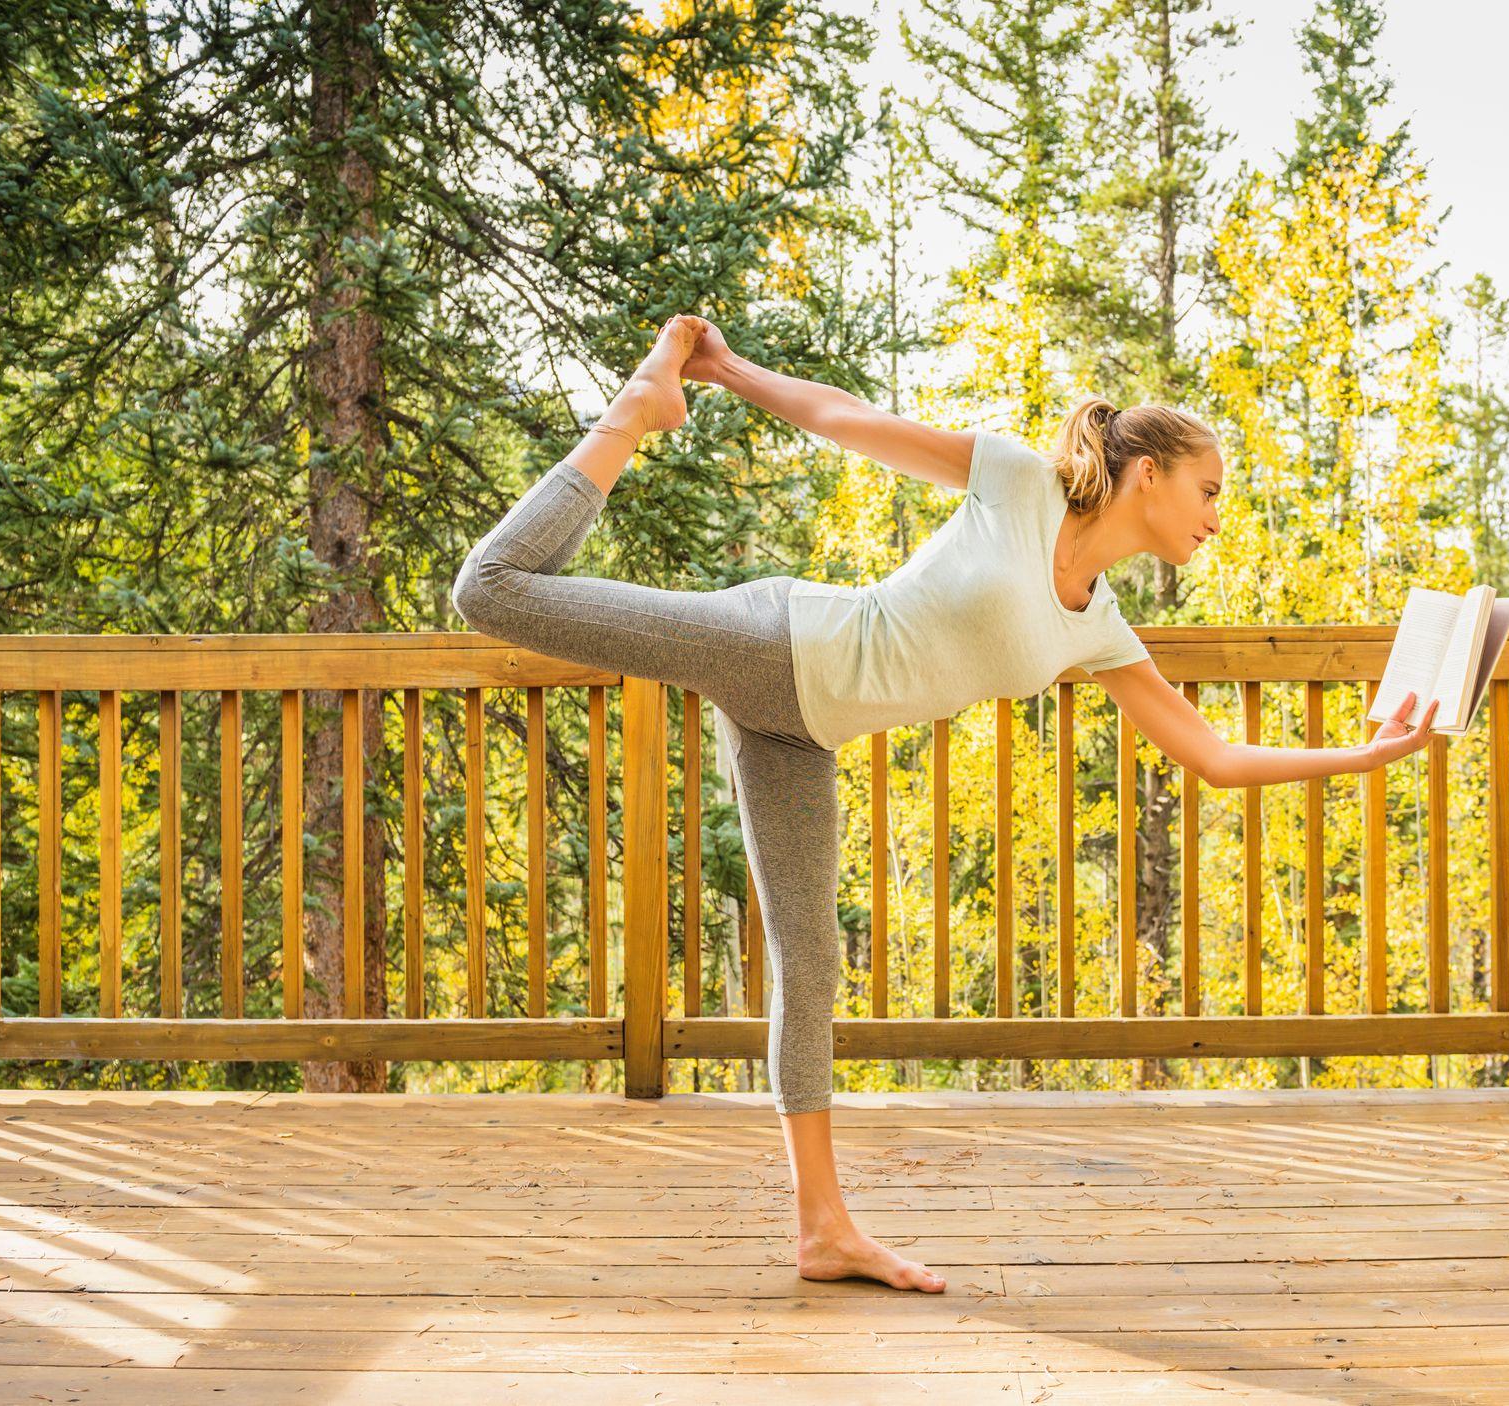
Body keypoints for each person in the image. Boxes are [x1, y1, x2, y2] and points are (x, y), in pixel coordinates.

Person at [450, 314, 1442, 1295]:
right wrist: (725, 372)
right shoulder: (1017, 481)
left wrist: (1365, 752)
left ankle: (824, 1229)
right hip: (774, 641)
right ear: (1150, 471)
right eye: (1210, 489)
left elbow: (1213, 756)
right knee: (491, 587)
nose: (1217, 516)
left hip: (800, 729)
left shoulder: (1099, 627)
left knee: (812, 961)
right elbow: (844, 417)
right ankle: (631, 412)